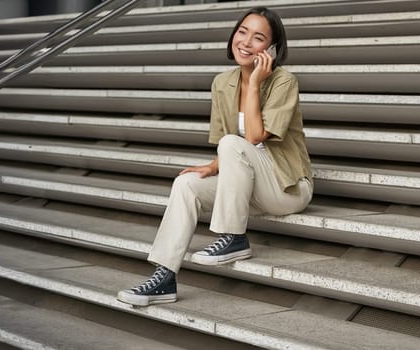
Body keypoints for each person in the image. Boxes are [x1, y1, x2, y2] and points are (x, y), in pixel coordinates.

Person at [117, 7, 312, 307]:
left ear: (271, 49)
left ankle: (234, 237)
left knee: (234, 143)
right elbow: (228, 145)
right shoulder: (222, 83)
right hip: (249, 185)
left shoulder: (284, 82)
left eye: (258, 38)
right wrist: (211, 167)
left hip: (287, 188)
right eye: (242, 32)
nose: (246, 42)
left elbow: (253, 139)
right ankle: (164, 277)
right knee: (186, 185)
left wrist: (256, 82)